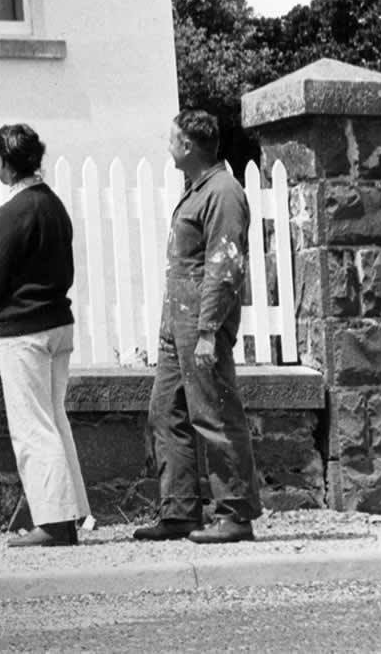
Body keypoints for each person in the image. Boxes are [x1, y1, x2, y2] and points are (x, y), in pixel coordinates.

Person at [134, 109, 263, 544]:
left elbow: (225, 266)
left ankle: (235, 512)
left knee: (214, 412)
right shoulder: (198, 190)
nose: (168, 146)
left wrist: (208, 329)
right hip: (178, 321)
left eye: (172, 139)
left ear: (188, 146)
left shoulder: (223, 192)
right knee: (166, 411)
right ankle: (180, 510)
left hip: (200, 322)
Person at [0, 123, 89, 548]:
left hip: (25, 330)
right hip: (59, 322)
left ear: (4, 164)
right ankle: (73, 514)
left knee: (33, 427)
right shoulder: (54, 207)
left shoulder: (11, 213)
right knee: (55, 420)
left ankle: (55, 524)